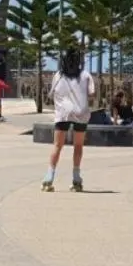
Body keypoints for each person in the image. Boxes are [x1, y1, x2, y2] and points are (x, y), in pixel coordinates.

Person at [42, 44, 95, 192]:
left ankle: (49, 177)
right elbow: (92, 93)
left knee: (57, 146)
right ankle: (76, 178)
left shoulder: (58, 76)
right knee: (78, 146)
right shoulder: (85, 75)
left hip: (62, 114)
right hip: (81, 113)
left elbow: (51, 94)